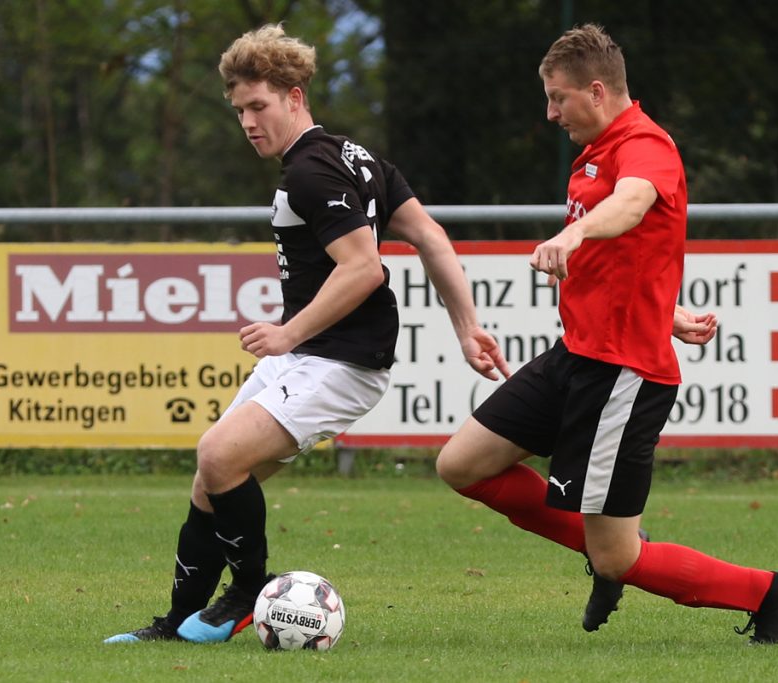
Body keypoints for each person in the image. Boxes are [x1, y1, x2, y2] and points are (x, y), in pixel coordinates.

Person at [105, 23, 510, 644]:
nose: (248, 122)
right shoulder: (353, 156)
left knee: (218, 454)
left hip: (342, 360)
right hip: (315, 355)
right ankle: (175, 626)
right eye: (239, 110)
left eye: (258, 106)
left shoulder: (311, 172)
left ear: (295, 96)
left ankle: (247, 593)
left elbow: (364, 268)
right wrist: (467, 328)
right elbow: (429, 236)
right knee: (213, 478)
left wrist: (288, 333)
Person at [435, 24, 778, 644]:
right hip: (575, 355)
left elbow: (633, 203)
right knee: (462, 465)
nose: (550, 113)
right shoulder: (595, 149)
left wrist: (572, 234)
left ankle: (771, 593)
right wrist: (664, 311)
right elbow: (631, 255)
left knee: (616, 558)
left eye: (558, 98)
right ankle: (610, 544)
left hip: (622, 376)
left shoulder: (644, 144)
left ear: (596, 90)